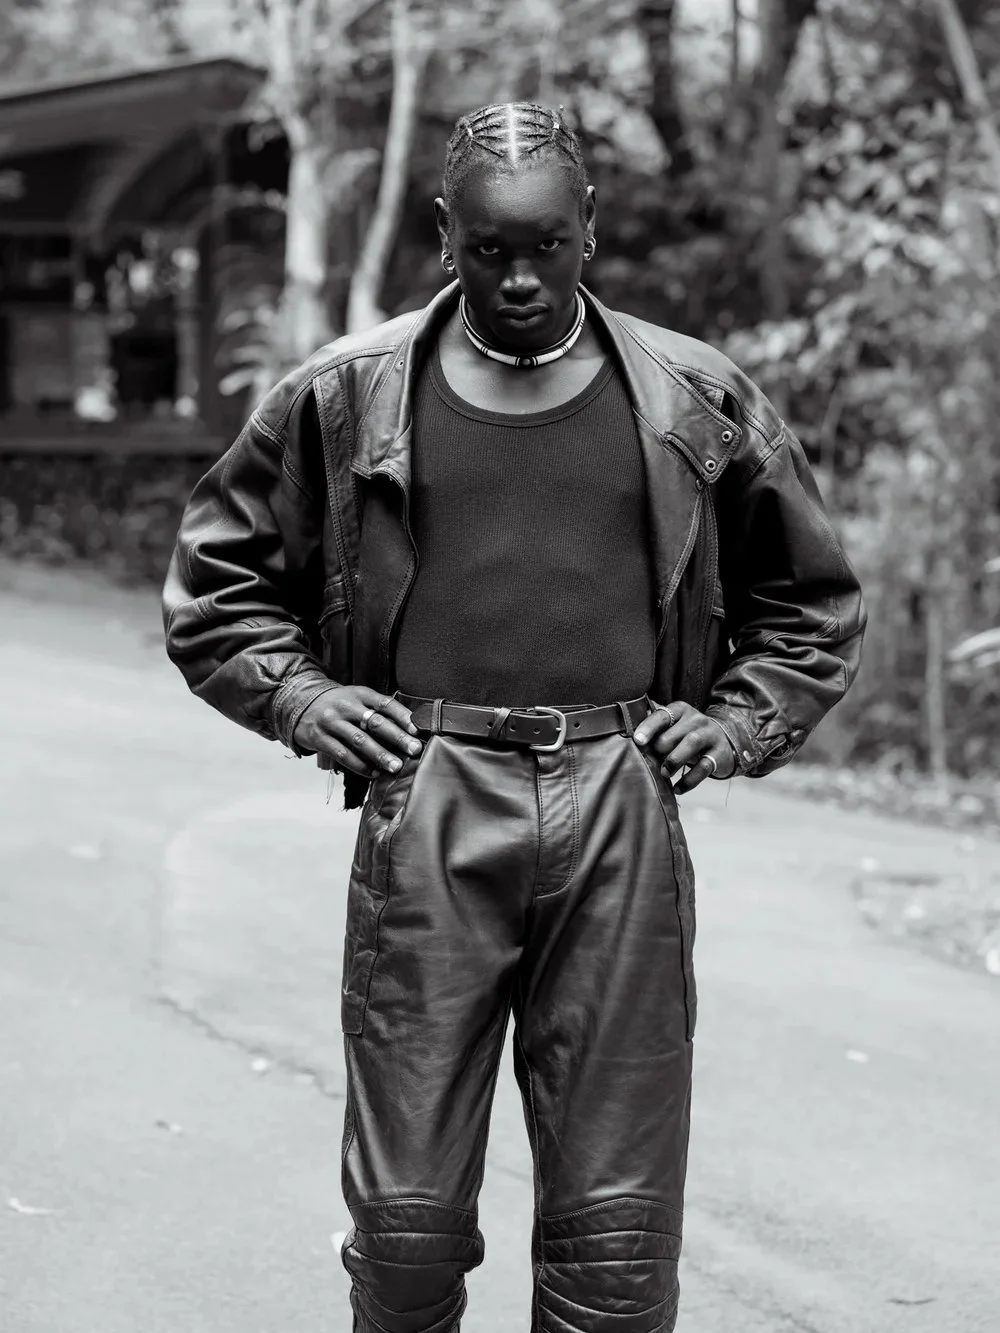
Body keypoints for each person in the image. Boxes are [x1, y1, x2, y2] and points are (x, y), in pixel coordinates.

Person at [163, 102, 865, 1333]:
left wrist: (739, 722)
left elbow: (809, 604)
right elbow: (216, 588)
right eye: (491, 250)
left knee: (615, 1246)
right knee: (404, 1235)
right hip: (428, 799)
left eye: (547, 246)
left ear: (590, 228)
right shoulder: (345, 395)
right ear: (445, 237)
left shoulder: (692, 398)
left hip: (618, 803)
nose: (523, 277)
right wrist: (303, 696)